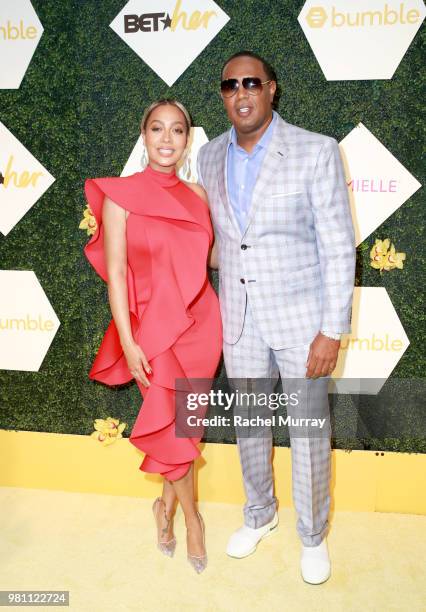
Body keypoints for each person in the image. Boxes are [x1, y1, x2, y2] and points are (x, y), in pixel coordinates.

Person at [197, 51, 355, 584]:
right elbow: (223, 241)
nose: (240, 93)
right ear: (222, 94)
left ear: (271, 89)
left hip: (301, 323)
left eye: (251, 83)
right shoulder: (210, 156)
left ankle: (312, 535)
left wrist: (331, 330)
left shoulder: (315, 151)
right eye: (230, 85)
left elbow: (338, 248)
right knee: (250, 426)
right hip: (238, 321)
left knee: (309, 432)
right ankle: (259, 515)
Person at [83, 99, 222, 574]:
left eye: (177, 130)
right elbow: (117, 275)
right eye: (157, 129)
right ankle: (193, 519)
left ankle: (163, 509)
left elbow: (212, 259)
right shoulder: (120, 196)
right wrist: (127, 339)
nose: (167, 139)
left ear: (187, 140)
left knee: (184, 427)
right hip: (150, 331)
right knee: (169, 422)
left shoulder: (200, 196)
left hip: (201, 326)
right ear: (143, 136)